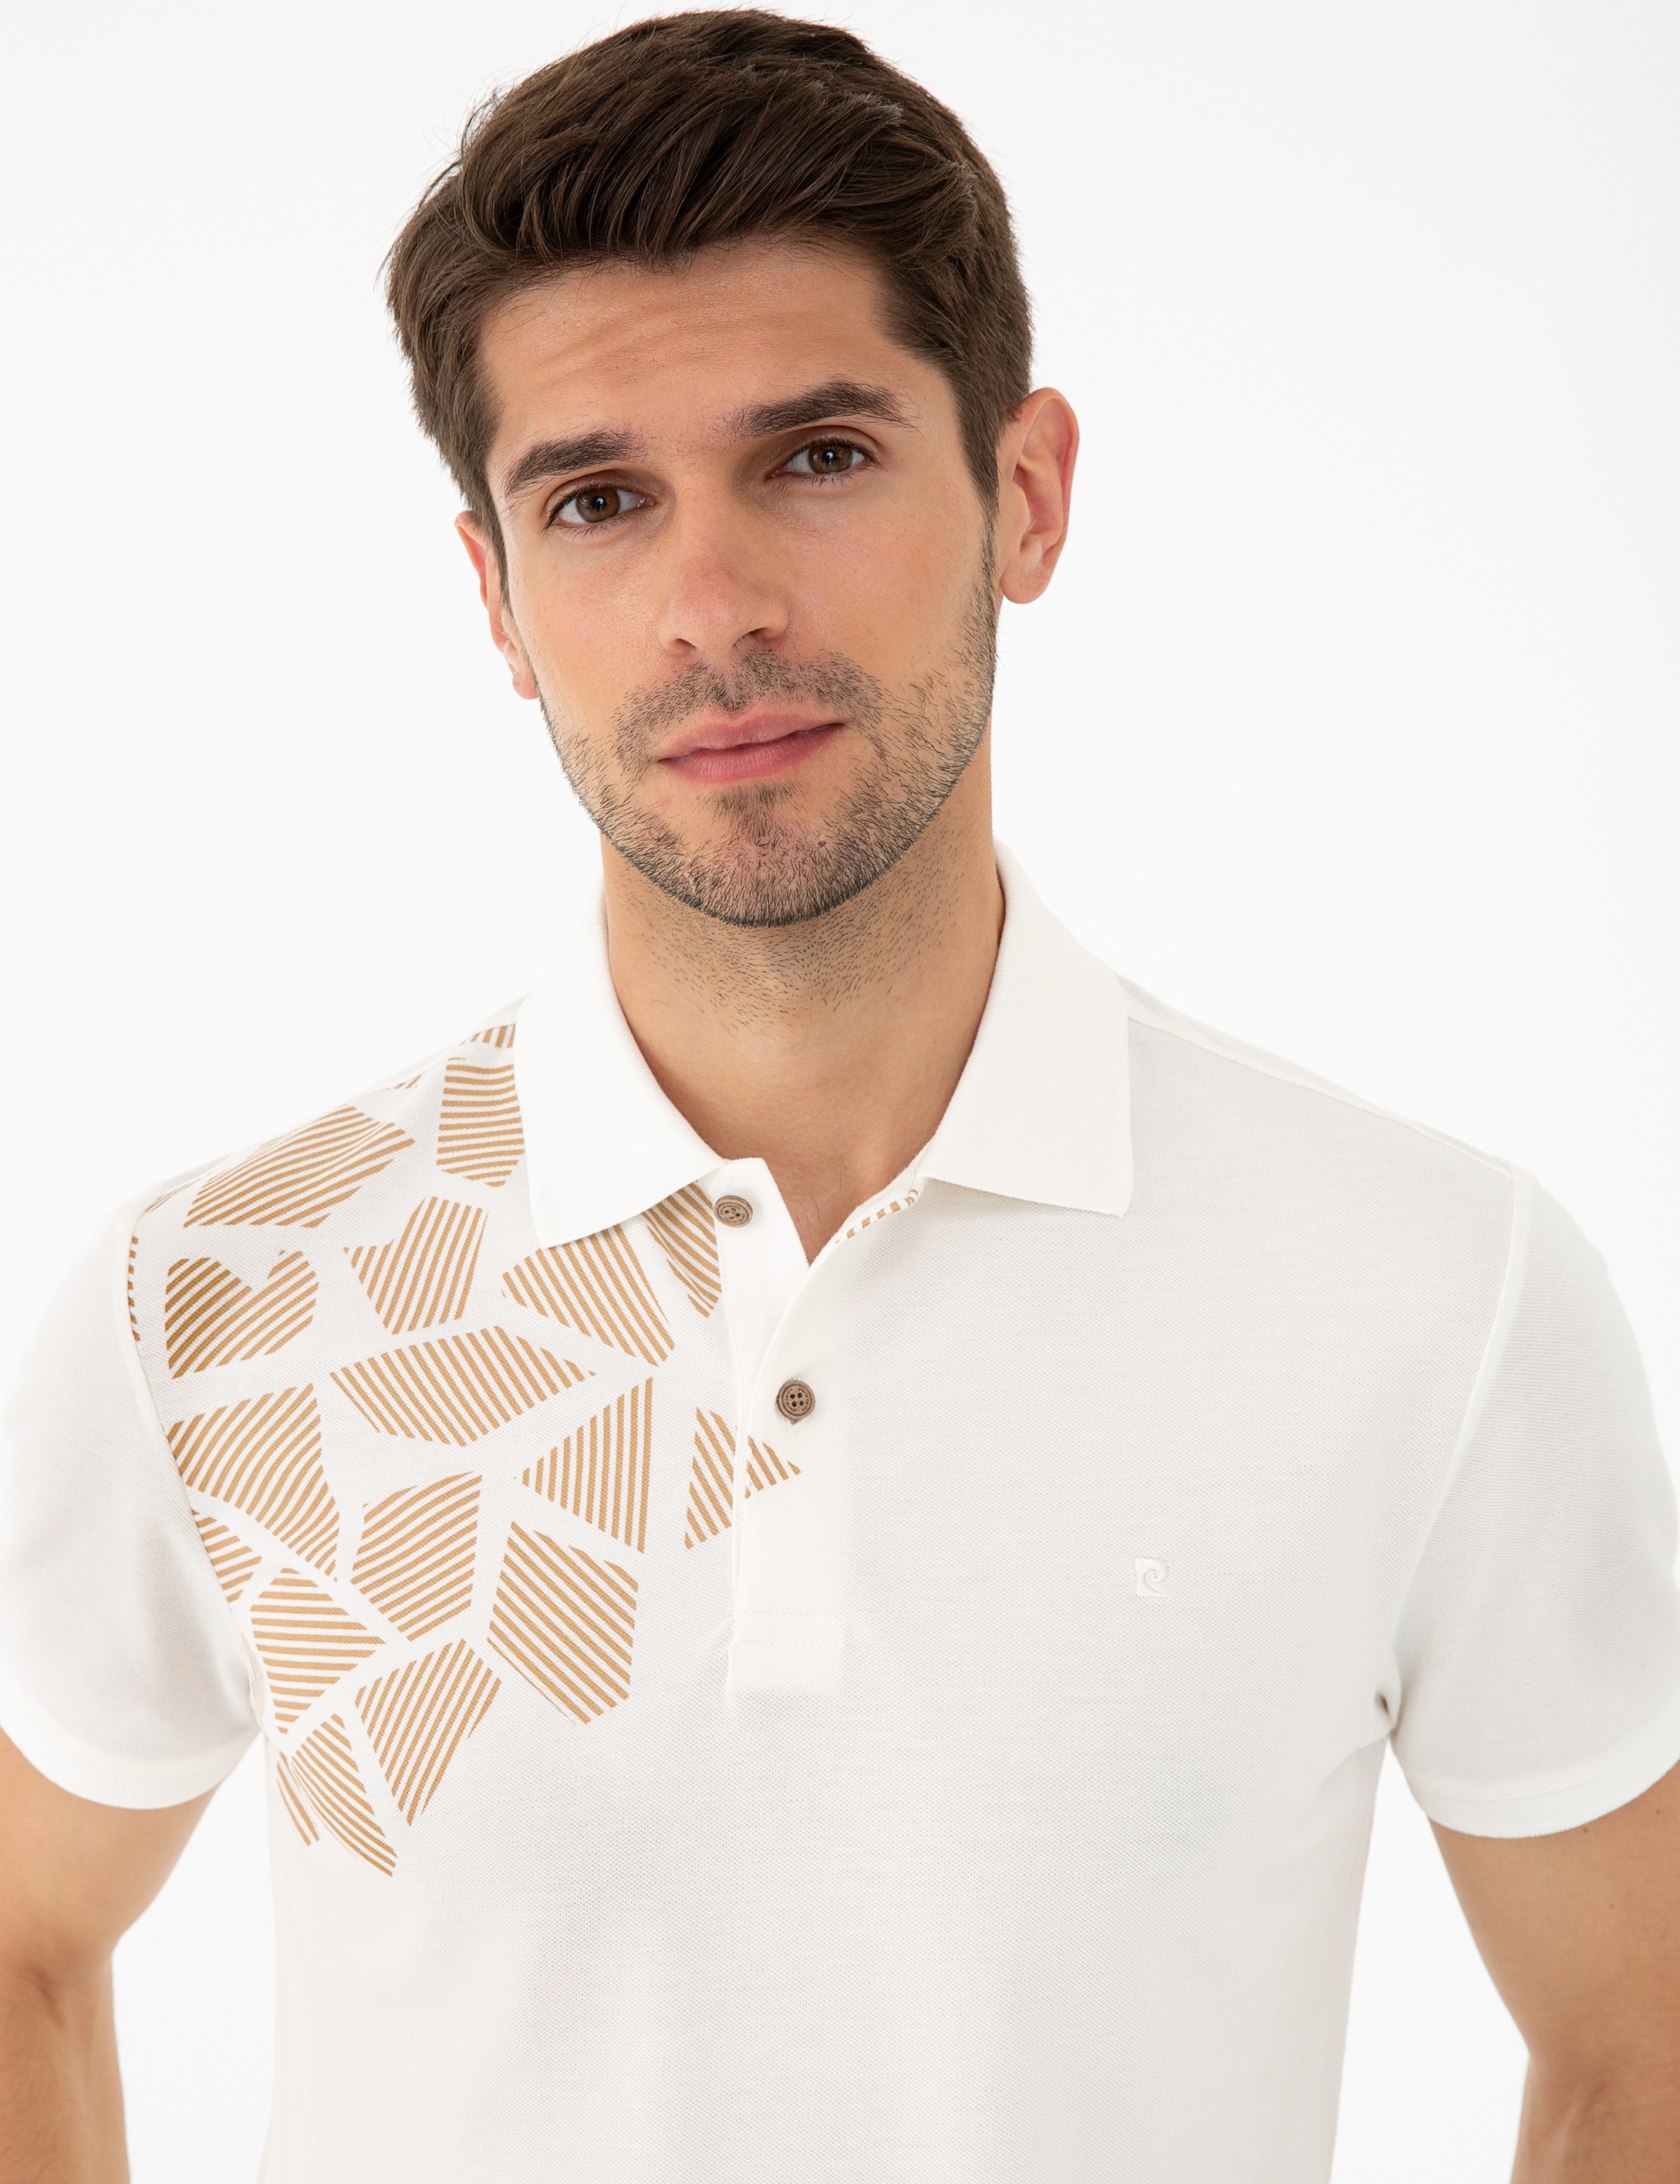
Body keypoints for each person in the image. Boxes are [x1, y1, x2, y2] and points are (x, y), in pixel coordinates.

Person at [2, 9, 1677, 2179]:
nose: (713, 607)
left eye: (815, 457)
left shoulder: (1429, 1291)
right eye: (597, 501)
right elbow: (28, 1940)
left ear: (1025, 494)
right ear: (496, 595)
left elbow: (1636, 2039)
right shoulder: (230, 1295)